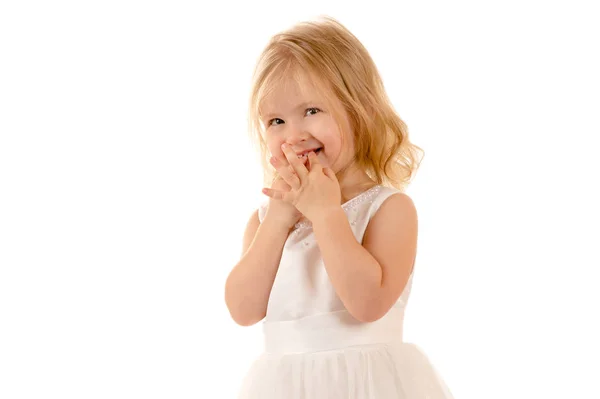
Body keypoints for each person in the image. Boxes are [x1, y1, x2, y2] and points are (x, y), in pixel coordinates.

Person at [224, 15, 454, 398]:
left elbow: (367, 304)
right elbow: (243, 310)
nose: (294, 134)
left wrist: (327, 214)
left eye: (312, 111)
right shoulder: (266, 219)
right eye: (276, 120)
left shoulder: (388, 209)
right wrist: (279, 222)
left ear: (359, 110)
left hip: (368, 384)